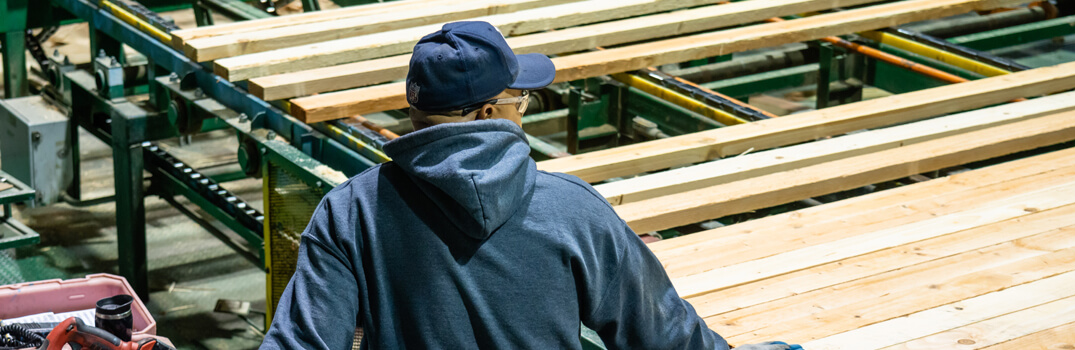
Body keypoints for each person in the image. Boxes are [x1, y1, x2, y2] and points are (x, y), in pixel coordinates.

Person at [261, 21, 793, 350]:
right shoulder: (571, 210)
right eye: (523, 100)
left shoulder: (350, 212)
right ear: (493, 111)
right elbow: (666, 341)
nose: (525, 111)